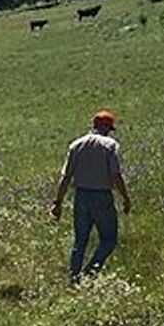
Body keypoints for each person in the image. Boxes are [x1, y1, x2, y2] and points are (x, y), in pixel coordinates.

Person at [52, 108, 132, 283]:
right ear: (109, 128)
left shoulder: (76, 145)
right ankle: (90, 273)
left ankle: (73, 279)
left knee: (80, 241)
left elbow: (65, 177)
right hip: (102, 197)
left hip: (80, 197)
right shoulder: (110, 146)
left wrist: (57, 202)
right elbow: (116, 175)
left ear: (93, 126)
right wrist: (125, 197)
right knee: (109, 239)